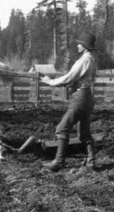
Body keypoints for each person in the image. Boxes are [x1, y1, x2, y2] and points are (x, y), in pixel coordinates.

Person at [40, 32, 97, 171]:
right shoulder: (92, 60)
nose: (77, 45)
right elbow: (74, 78)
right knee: (85, 133)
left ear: (85, 46)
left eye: (79, 44)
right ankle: (91, 162)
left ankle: (59, 162)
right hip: (87, 97)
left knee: (61, 128)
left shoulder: (84, 61)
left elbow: (69, 78)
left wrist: (50, 82)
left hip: (80, 97)